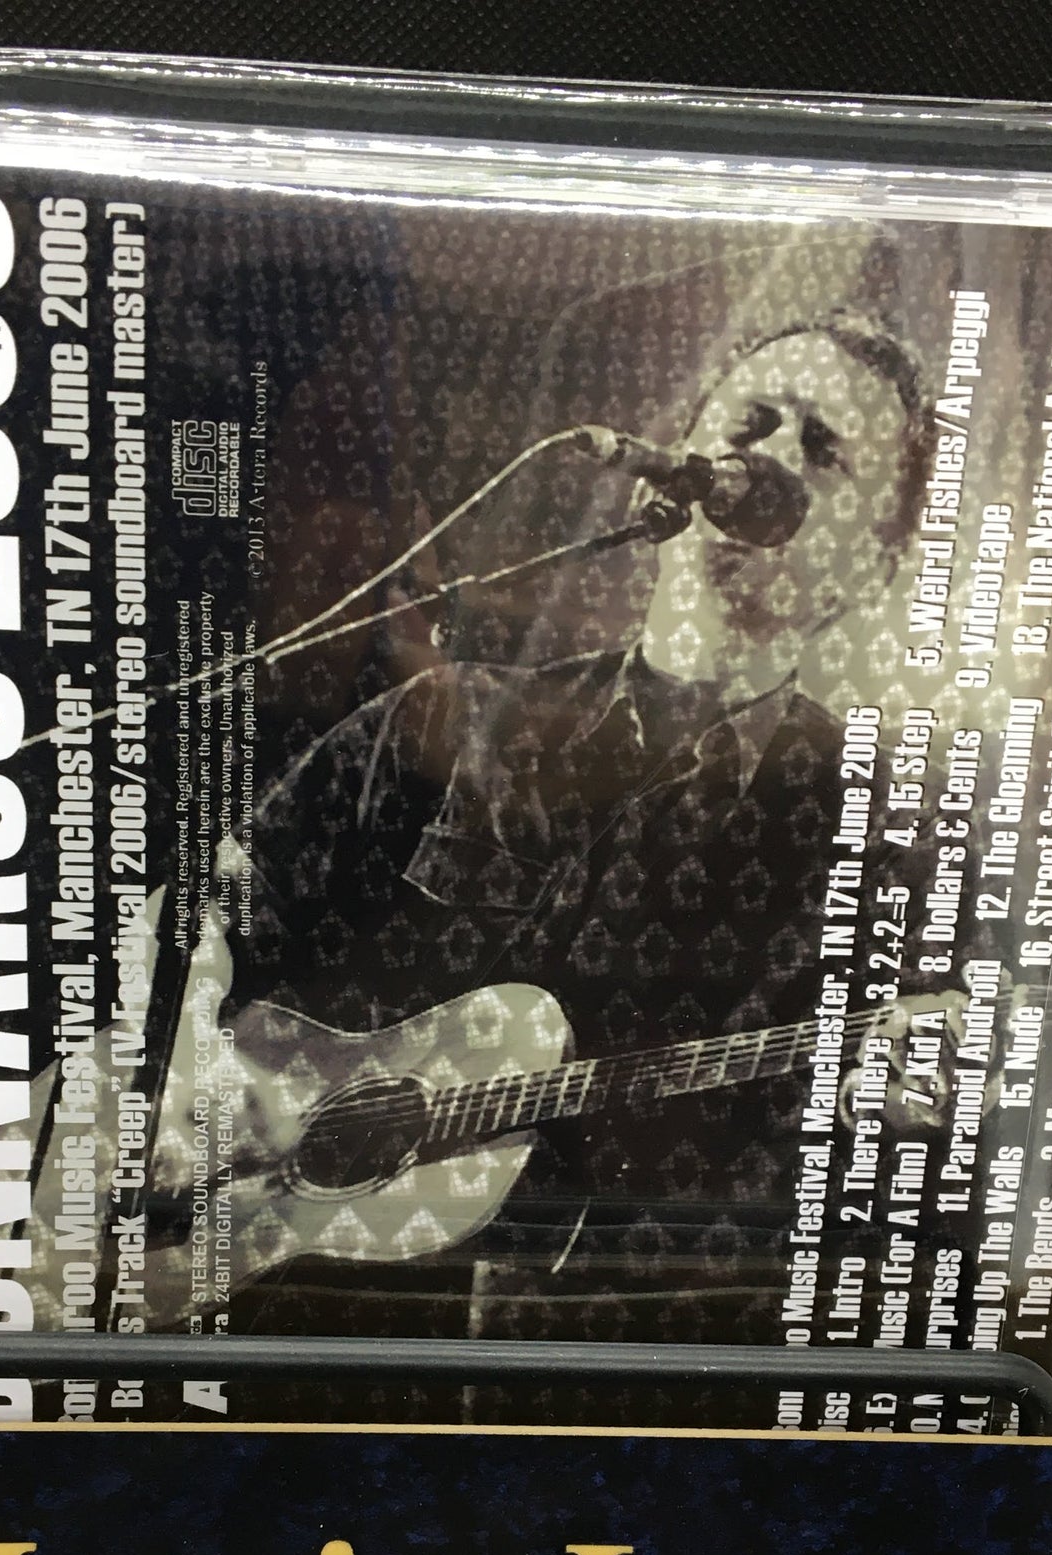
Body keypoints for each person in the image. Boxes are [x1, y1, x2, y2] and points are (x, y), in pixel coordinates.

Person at [149, 312, 961, 1338]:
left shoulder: (881, 844)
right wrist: (194, 1072)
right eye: (752, 421)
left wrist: (884, 1115)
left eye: (824, 450)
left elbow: (848, 1188)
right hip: (260, 1315)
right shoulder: (450, 718)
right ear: (668, 469)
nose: (769, 461)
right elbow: (198, 920)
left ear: (877, 566)